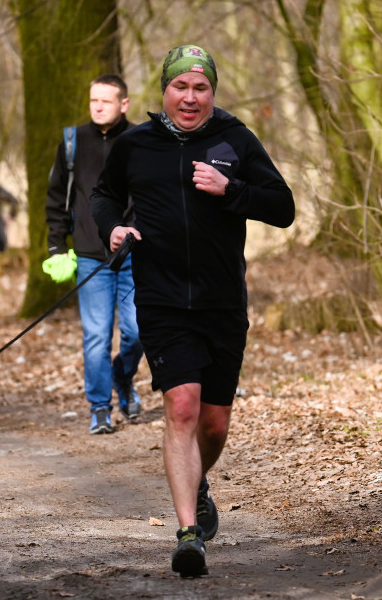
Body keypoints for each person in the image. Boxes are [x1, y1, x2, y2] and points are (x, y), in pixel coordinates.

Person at [92, 46, 295, 577]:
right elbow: (103, 196)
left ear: (212, 93)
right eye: (180, 87)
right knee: (181, 408)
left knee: (214, 422)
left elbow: (283, 207)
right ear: (164, 91)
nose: (190, 97)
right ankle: (188, 536)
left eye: (200, 88)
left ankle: (198, 477)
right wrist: (111, 227)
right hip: (160, 300)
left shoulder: (235, 138)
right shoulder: (136, 144)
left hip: (222, 302)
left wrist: (233, 190)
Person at [45, 74, 143, 436]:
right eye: (93, 101)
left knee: (137, 332)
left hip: (136, 254)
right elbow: (56, 199)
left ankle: (123, 378)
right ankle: (100, 407)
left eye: (106, 100)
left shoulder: (140, 140)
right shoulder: (73, 142)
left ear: (124, 104)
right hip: (90, 256)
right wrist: (58, 246)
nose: (98, 106)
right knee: (97, 336)